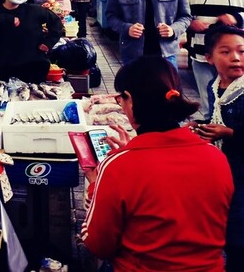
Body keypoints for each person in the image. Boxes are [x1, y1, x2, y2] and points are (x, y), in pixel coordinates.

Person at [81, 56, 233, 271]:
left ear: (129, 100)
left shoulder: (118, 166)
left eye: (120, 99)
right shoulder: (216, 157)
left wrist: (96, 183)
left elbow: (98, 244)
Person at [193, 24, 244, 268]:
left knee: (238, 235)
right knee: (227, 224)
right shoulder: (215, 85)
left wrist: (230, 133)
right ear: (209, 58)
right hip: (227, 172)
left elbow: (227, 128)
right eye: (226, 51)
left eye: (242, 51)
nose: (236, 57)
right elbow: (216, 118)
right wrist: (201, 127)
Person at [182, 0, 244, 119]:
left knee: (236, 98)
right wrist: (190, 22)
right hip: (202, 50)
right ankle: (211, 126)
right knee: (208, 97)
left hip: (235, 54)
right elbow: (179, 11)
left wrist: (236, 18)